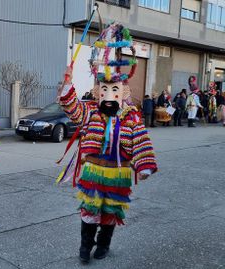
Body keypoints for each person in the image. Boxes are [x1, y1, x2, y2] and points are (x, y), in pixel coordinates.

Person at [57, 23, 157, 263]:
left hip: (118, 172)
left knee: (110, 211)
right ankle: (85, 246)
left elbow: (141, 140)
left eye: (114, 89)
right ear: (97, 91)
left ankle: (103, 244)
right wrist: (68, 83)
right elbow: (70, 107)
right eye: (104, 89)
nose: (109, 94)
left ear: (123, 92)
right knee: (90, 211)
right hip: (93, 170)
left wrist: (143, 165)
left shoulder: (130, 116)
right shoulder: (90, 111)